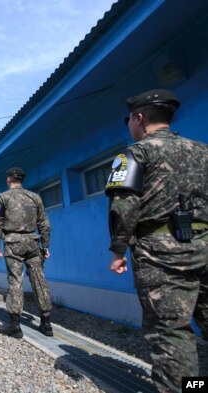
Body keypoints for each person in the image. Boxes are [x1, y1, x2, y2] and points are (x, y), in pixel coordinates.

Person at [106, 89, 208, 393]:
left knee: (171, 333)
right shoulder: (203, 151)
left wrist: (117, 249)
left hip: (161, 251)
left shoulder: (134, 154)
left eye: (129, 120)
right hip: (205, 245)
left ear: (139, 119)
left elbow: (123, 207)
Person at [0, 167, 52, 339]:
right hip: (33, 241)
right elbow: (44, 223)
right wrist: (45, 245)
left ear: (9, 179)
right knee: (39, 279)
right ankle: (46, 324)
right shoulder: (35, 197)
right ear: (21, 180)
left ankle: (14, 325)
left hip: (12, 243)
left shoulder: (3, 197)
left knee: (15, 281)